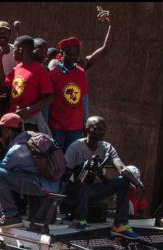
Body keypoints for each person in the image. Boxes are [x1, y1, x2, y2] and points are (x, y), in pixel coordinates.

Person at [64, 116, 139, 239]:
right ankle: (79, 220)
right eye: (98, 128)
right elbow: (65, 174)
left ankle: (120, 224)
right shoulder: (75, 147)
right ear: (87, 129)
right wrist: (84, 169)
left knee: (123, 181)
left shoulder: (106, 147)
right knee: (85, 177)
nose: (102, 131)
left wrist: (134, 180)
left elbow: (120, 165)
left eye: (104, 128)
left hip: (94, 190)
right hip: (75, 192)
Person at [48, 9, 113, 149]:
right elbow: (47, 100)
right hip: (56, 128)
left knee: (74, 164)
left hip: (76, 129)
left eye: (76, 53)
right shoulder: (54, 70)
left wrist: (111, 26)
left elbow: (105, 49)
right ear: (61, 53)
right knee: (56, 164)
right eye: (69, 53)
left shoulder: (80, 70)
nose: (73, 56)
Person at [0, 112, 62, 226]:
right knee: (12, 171)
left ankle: (11, 215)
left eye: (1, 130)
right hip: (54, 183)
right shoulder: (30, 135)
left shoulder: (17, 150)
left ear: (8, 130)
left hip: (41, 186)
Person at [2, 35, 54, 134]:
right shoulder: (17, 67)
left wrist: (28, 110)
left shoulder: (39, 70)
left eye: (15, 48)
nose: (13, 51)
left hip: (31, 121)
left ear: (21, 50)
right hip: (15, 120)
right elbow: (3, 85)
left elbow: (50, 97)